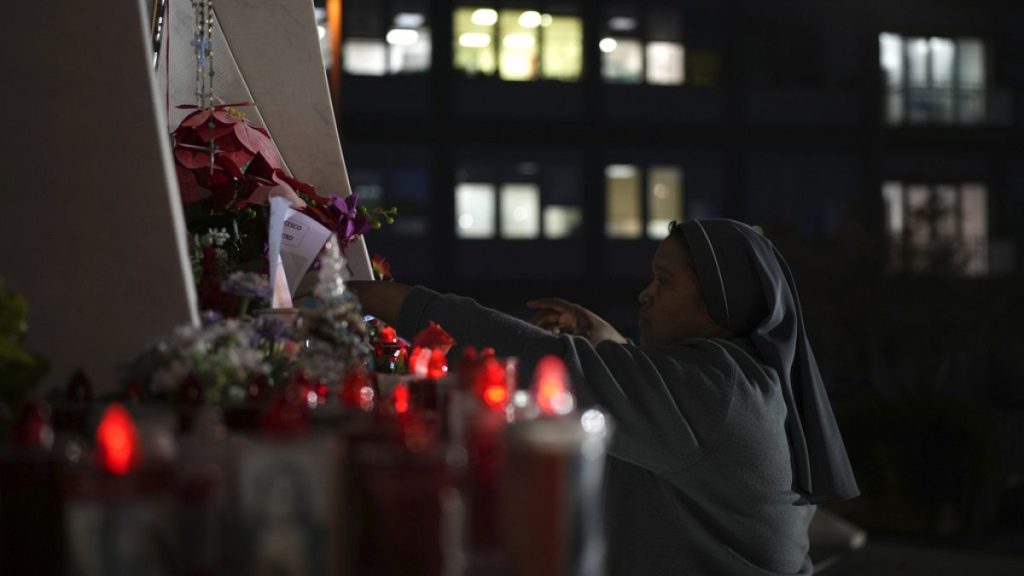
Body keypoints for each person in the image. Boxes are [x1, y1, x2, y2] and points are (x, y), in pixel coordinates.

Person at [348, 218, 859, 575]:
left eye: (664, 281)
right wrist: (608, 341)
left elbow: (543, 361)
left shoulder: (716, 392)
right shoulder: (743, 383)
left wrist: (392, 302)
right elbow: (657, 400)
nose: (645, 294)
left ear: (720, 308)